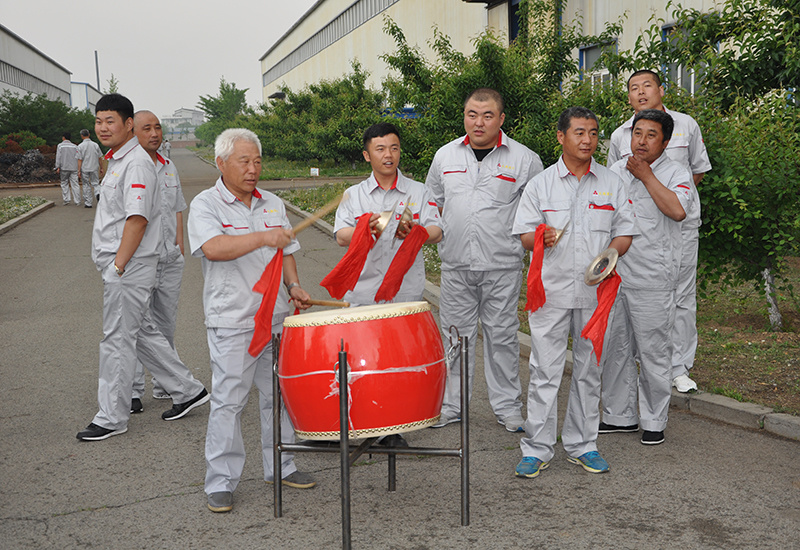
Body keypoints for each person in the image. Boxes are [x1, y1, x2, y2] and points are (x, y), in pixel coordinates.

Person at [187, 128, 316, 513]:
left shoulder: (272, 202)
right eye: (244, 161)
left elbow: (287, 250)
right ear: (221, 163)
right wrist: (263, 238)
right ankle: (220, 482)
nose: (252, 169)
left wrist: (294, 286)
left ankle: (281, 464)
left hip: (276, 318)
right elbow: (213, 248)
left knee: (278, 396)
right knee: (229, 401)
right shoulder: (206, 204)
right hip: (232, 320)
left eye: (257, 161)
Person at [512, 107, 637, 478]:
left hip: (596, 293)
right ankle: (536, 448)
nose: (588, 140)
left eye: (594, 133)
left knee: (589, 368)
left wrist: (611, 256)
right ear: (561, 136)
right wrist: (540, 238)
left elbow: (625, 232)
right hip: (550, 292)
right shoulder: (541, 185)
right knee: (545, 369)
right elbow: (522, 234)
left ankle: (583, 444)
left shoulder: (612, 182)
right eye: (579, 132)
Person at [77, 94, 210, 442]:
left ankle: (112, 416)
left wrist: (118, 266)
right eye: (99, 121)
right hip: (128, 263)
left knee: (117, 341)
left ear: (127, 125)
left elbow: (137, 219)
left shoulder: (135, 163)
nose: (103, 128)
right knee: (141, 333)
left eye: (111, 121)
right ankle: (187, 390)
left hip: (129, 264)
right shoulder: (121, 160)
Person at [426, 88, 544, 432]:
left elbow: (537, 209)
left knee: (502, 337)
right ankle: (453, 405)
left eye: (487, 115)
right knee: (455, 337)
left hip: (502, 265)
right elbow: (432, 202)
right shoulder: (445, 156)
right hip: (456, 264)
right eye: (472, 115)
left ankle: (507, 408)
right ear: (464, 116)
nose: (479, 122)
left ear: (501, 119)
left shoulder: (523, 159)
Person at [331, 122, 442, 446]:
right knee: (363, 359)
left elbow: (437, 230)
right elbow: (340, 236)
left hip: (403, 289)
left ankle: (392, 427)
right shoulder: (354, 195)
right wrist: (371, 228)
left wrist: (417, 231)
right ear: (367, 155)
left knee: (397, 359)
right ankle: (362, 421)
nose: (388, 155)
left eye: (393, 148)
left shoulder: (418, 192)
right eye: (380, 149)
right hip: (363, 290)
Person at [607, 69, 712, 393]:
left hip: (676, 225)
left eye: (647, 86)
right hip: (634, 231)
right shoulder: (618, 135)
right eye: (633, 88)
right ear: (628, 97)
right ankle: (645, 363)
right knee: (633, 297)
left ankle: (678, 367)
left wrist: (667, 198)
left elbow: (695, 172)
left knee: (680, 297)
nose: (640, 92)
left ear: (661, 90)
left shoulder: (685, 126)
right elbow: (614, 182)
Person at [600, 109, 694, 446]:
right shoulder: (614, 170)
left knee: (654, 351)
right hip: (614, 275)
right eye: (637, 133)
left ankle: (654, 420)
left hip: (653, 276)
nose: (641, 141)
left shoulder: (676, 172)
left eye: (650, 135)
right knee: (615, 348)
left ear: (665, 141)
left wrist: (645, 175)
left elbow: (677, 210)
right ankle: (618, 416)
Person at [130, 111, 188, 407]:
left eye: (157, 128)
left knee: (165, 323)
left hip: (169, 258)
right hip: (140, 260)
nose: (154, 133)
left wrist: (179, 244)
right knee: (137, 325)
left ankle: (167, 384)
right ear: (132, 131)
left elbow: (177, 207)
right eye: (146, 128)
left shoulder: (168, 167)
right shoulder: (130, 168)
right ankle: (133, 390)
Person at [76, 129, 105, 206]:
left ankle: (88, 202)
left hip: (85, 168)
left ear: (82, 136)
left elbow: (79, 159)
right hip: (94, 167)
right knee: (95, 183)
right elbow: (100, 157)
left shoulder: (80, 146)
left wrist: (78, 170)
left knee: (86, 184)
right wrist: (101, 167)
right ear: (89, 135)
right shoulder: (95, 145)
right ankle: (98, 193)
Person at [55, 132, 79, 206]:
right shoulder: (75, 146)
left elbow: (58, 157)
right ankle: (77, 200)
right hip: (74, 167)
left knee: (64, 183)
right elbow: (78, 157)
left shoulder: (60, 146)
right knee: (75, 184)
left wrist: (57, 166)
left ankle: (66, 199)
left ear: (63, 137)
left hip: (64, 167)